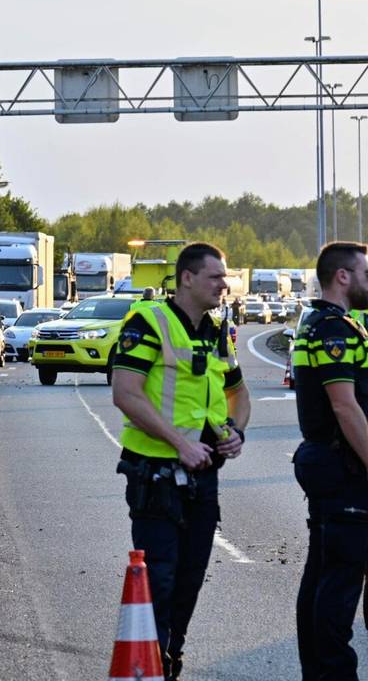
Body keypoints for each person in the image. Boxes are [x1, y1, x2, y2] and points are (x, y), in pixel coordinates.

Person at [111, 242, 250, 680]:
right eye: (215, 277)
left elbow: (238, 394)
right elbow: (125, 393)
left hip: (203, 475)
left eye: (224, 278)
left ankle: (170, 657)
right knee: (162, 580)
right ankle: (150, 665)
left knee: (191, 578)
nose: (223, 286)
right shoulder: (148, 321)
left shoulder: (217, 330)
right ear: (187, 278)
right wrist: (179, 444)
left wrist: (235, 431)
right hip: (155, 474)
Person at [293, 241, 368, 680]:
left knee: (323, 578)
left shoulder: (327, 324)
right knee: (338, 587)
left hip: (334, 467)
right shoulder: (334, 330)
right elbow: (345, 408)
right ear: (343, 276)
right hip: (344, 471)